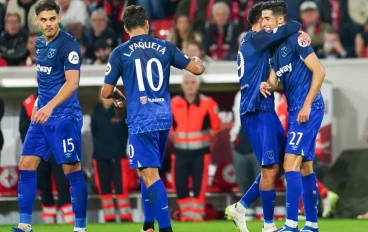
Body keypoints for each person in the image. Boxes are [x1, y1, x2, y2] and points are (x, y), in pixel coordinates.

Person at [100, 5, 205, 232]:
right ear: (147, 24)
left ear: (126, 27)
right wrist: (197, 59)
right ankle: (148, 225)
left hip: (141, 119)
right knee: (143, 170)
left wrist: (119, 94)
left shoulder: (120, 52)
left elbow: (106, 93)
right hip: (163, 118)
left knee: (149, 173)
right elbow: (197, 69)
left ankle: (165, 228)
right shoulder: (165, 46)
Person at [224, 2, 310, 232]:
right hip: (256, 110)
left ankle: (241, 207)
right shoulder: (253, 37)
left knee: (283, 162)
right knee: (270, 168)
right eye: (266, 19)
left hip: (264, 109)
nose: (269, 23)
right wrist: (297, 24)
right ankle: (268, 226)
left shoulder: (257, 42)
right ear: (261, 22)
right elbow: (286, 29)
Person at [11, 1, 88, 232]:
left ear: (59, 17)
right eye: (43, 20)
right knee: (25, 165)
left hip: (64, 116)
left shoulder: (69, 45)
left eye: (52, 19)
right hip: (42, 115)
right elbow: (45, 81)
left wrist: (50, 106)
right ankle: (25, 225)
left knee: (71, 171)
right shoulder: (40, 44)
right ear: (37, 21)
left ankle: (80, 228)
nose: (48, 24)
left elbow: (72, 83)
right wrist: (38, 102)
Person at [260, 1, 326, 231]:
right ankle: (311, 225)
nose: (263, 23)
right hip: (295, 109)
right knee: (305, 167)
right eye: (262, 19)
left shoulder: (298, 39)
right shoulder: (274, 48)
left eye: (267, 18)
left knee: (290, 164)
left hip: (307, 107)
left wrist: (307, 105)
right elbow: (273, 80)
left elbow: (319, 71)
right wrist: (266, 86)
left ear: (280, 20)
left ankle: (290, 224)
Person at [170, 74, 221, 222]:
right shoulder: (173, 103)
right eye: (186, 82)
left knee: (200, 185)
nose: (190, 85)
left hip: (200, 152)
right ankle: (185, 215)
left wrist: (205, 140)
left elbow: (215, 127)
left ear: (198, 85)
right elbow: (167, 125)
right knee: (179, 184)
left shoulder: (208, 102)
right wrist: (173, 136)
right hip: (179, 152)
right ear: (182, 86)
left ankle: (197, 215)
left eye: (193, 82)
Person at [19, 91, 74, 225]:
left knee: (63, 182)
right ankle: (49, 217)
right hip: (39, 150)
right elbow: (23, 129)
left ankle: (68, 216)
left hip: (57, 149)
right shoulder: (29, 103)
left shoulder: (61, 98)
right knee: (43, 183)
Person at [91, 89, 132, 222]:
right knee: (104, 188)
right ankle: (109, 218)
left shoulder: (122, 112)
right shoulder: (96, 113)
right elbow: (94, 133)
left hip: (118, 157)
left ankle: (125, 217)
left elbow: (127, 133)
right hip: (100, 157)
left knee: (121, 187)